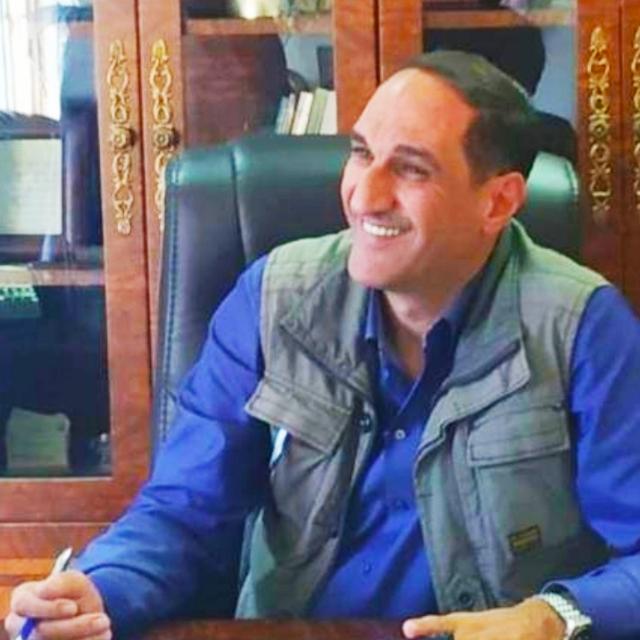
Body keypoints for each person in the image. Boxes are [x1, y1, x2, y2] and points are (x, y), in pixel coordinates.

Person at [6, 50, 640, 640]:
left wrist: (549, 618)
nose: (365, 195)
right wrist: (100, 588)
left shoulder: (582, 327)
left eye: (411, 169)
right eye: (362, 153)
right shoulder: (273, 299)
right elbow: (185, 510)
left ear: (498, 202)